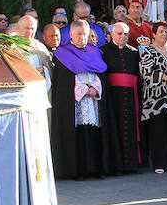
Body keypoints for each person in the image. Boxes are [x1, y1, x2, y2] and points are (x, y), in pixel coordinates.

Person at [50, 19, 105, 179]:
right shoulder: (62, 54)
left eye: (85, 34)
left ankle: (94, 168)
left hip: (92, 99)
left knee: (93, 131)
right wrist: (82, 90)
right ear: (71, 34)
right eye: (79, 34)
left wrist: (96, 88)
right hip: (75, 101)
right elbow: (64, 80)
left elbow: (99, 74)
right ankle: (78, 170)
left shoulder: (94, 51)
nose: (82, 37)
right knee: (79, 134)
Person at [138, 21, 167, 174]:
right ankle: (158, 162)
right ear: (153, 34)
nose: (164, 34)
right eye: (161, 32)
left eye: (166, 31)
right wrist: (165, 78)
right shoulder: (148, 51)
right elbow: (145, 73)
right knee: (157, 131)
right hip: (154, 98)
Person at [99, 21, 141, 174]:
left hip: (130, 97)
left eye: (126, 34)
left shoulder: (133, 52)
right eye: (119, 33)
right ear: (112, 35)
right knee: (114, 128)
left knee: (129, 128)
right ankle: (115, 166)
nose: (123, 37)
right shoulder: (103, 51)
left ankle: (131, 165)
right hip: (112, 96)